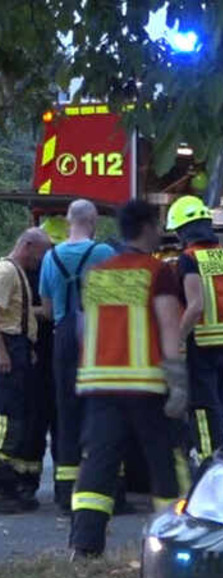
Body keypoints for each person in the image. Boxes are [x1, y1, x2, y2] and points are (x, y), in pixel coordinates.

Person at [70, 200, 189, 558]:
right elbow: (169, 326)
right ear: (148, 227)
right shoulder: (156, 272)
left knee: (98, 465)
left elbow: (84, 329)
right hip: (145, 385)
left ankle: (84, 547)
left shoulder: (98, 273)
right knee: (165, 463)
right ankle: (174, 541)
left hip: (98, 384)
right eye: (158, 225)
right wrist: (178, 381)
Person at [165, 196, 223, 467]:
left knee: (203, 411)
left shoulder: (189, 259)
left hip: (200, 346)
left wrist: (176, 341)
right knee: (219, 408)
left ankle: (209, 467)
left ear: (183, 231)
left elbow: (196, 307)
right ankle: (221, 459)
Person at [39, 200, 115, 511]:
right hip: (96, 336)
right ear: (93, 221)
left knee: (66, 412)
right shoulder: (104, 253)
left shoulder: (50, 257)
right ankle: (105, 489)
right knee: (100, 411)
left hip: (63, 338)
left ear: (69, 220)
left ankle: (64, 492)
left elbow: (46, 310)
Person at [0, 229, 52, 511]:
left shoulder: (17, 273)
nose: (41, 260)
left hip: (19, 347)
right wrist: (3, 353)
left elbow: (16, 314)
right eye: (41, 253)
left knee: (19, 419)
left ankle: (9, 488)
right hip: (9, 348)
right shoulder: (6, 271)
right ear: (28, 246)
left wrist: (28, 343)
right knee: (10, 422)